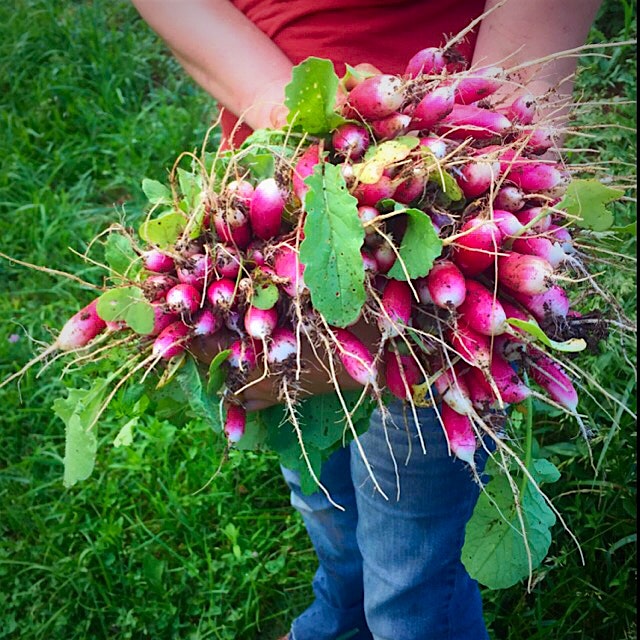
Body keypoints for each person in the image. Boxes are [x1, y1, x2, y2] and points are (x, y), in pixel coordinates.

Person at [130, 2, 602, 638]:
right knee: (320, 486)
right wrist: (295, 126)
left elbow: (527, 76)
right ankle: (340, 613)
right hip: (269, 219)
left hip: (448, 202)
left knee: (412, 563)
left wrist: (469, 165)